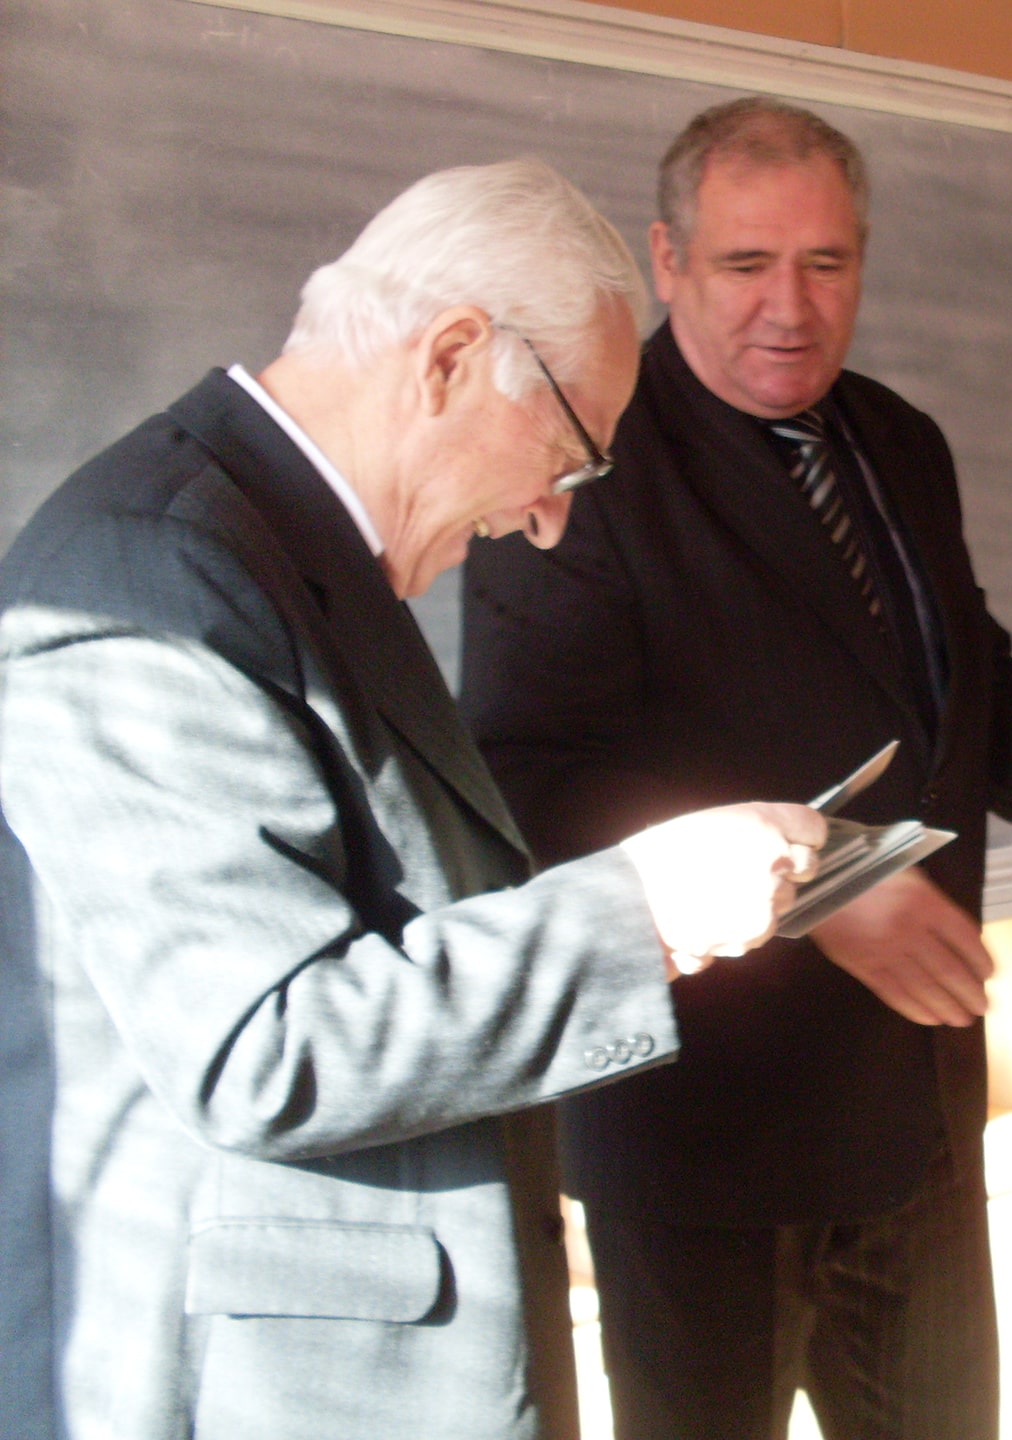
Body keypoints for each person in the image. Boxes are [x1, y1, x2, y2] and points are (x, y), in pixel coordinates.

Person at [0, 157, 829, 1440]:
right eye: (570, 454)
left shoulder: (286, 547)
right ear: (449, 357)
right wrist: (643, 910)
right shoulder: (147, 569)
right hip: (258, 1389)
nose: (549, 521)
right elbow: (264, 1049)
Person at [460, 97, 1012, 1440]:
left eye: (826, 264)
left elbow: (955, 679)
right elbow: (532, 780)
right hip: (700, 1126)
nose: (789, 308)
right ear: (667, 260)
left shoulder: (899, 440)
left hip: (914, 1106)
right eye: (746, 264)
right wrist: (819, 887)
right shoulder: (581, 452)